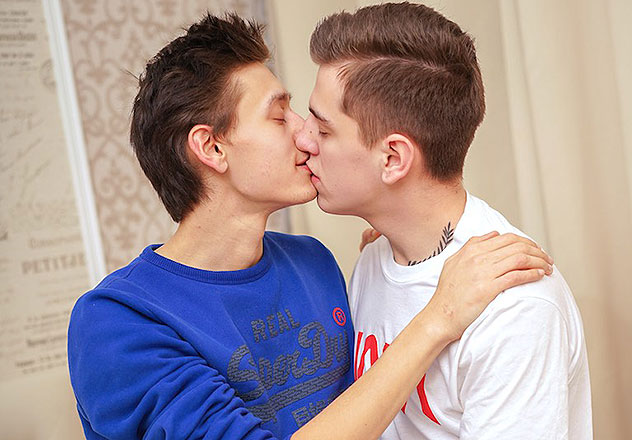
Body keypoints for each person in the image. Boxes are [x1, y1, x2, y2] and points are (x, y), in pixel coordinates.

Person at [67, 12, 554, 440]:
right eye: (279, 117)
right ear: (212, 147)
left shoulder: (313, 264)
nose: (305, 133)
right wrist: (436, 318)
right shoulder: (117, 322)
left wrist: (405, 253)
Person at [295, 2, 592, 439]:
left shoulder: (515, 308)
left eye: (323, 130)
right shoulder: (377, 258)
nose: (302, 138)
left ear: (393, 158)